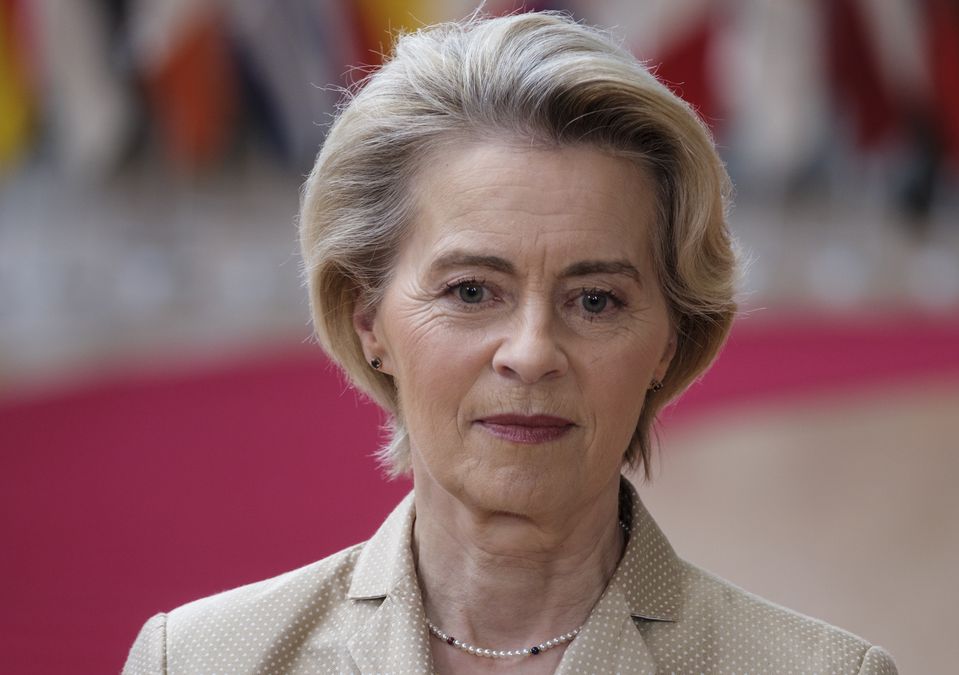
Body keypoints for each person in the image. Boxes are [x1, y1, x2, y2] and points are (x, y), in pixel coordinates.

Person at [123, 11, 897, 674]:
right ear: (368, 318)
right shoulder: (199, 660)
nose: (530, 352)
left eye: (595, 300)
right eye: (470, 291)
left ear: (671, 336)